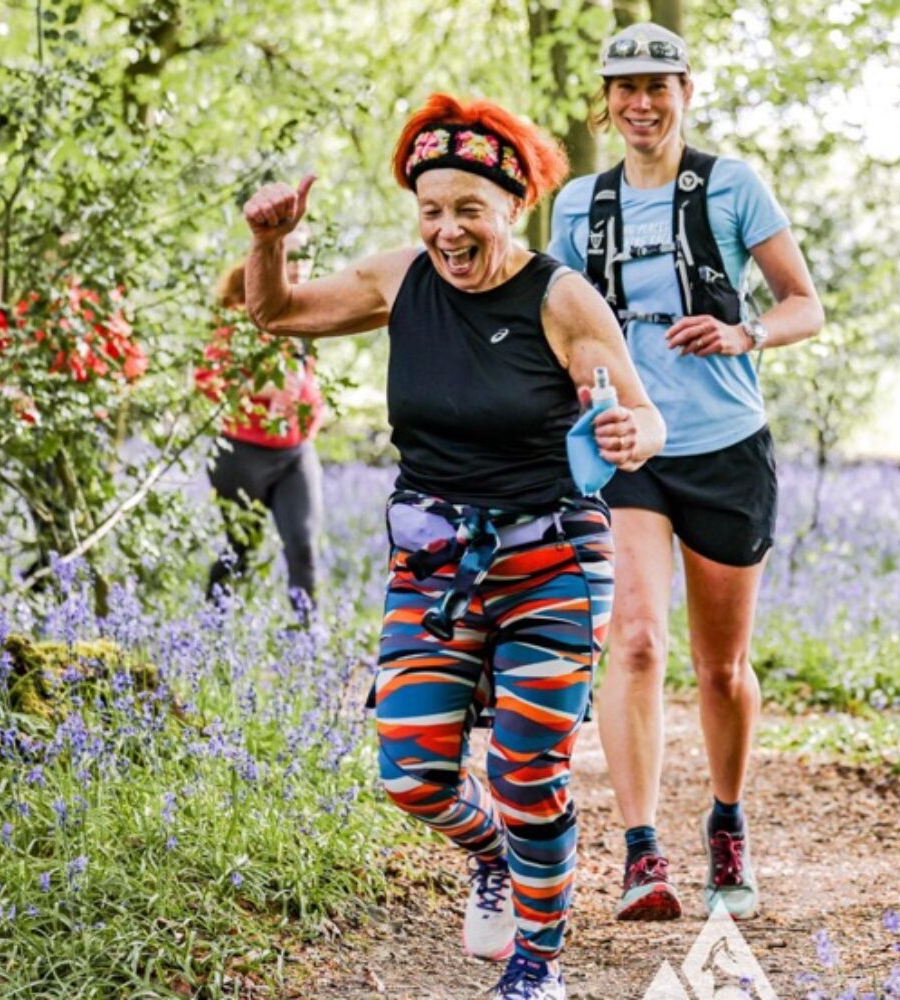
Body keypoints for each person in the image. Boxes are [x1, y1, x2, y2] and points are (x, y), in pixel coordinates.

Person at [242, 93, 665, 1000]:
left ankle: (536, 966)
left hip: (551, 558)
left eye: (469, 209)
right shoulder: (400, 280)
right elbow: (272, 313)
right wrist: (270, 241)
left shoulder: (559, 297)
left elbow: (643, 414)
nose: (448, 229)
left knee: (526, 769)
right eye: (431, 209)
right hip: (433, 564)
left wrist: (631, 436)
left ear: (513, 207)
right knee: (410, 769)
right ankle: (495, 858)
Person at [547, 22, 824, 923]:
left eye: (656, 86)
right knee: (631, 638)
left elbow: (803, 304)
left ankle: (727, 824)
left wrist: (745, 332)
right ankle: (640, 853)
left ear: (684, 91)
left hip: (724, 446)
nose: (640, 103)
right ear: (606, 100)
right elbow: (556, 326)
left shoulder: (733, 185)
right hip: (626, 447)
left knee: (722, 666)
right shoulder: (577, 208)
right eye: (624, 88)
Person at [197, 228, 327, 613]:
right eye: (289, 257)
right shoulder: (241, 318)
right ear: (268, 260)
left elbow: (307, 383)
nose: (299, 267)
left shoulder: (308, 315)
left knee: (303, 543)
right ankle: (213, 625)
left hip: (295, 452)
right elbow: (207, 381)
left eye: (306, 257)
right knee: (242, 548)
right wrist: (260, 388)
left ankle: (309, 636)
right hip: (242, 454)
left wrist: (313, 410)